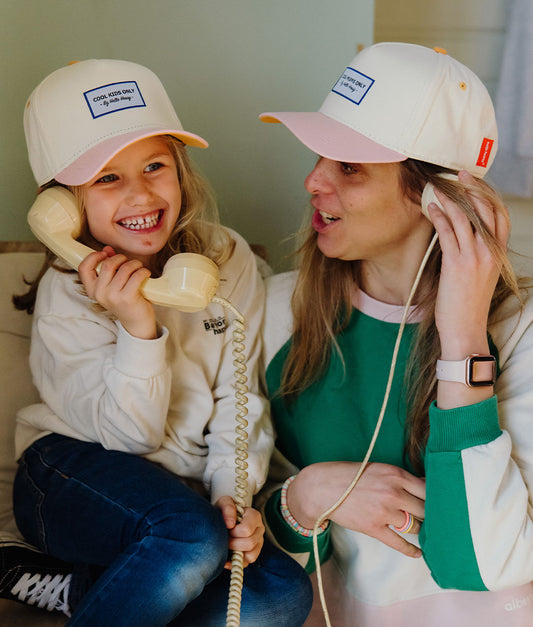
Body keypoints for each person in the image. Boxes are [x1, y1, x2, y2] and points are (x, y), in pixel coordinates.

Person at [4, 58, 312, 626]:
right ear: (63, 208)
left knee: (280, 592)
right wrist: (136, 326)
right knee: (189, 538)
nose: (142, 195)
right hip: (68, 474)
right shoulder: (65, 294)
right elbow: (131, 438)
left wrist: (232, 494)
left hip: (180, 498)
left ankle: (89, 591)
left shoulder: (226, 259)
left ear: (181, 170)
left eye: (154, 166)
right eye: (107, 178)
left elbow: (238, 399)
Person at [257, 42, 533, 626]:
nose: (312, 181)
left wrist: (462, 343)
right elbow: (244, 546)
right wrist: (303, 498)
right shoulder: (276, 309)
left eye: (349, 166)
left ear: (438, 198)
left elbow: (483, 565)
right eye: (319, 157)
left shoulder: (520, 334)